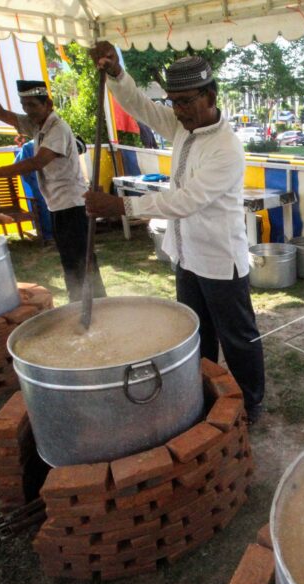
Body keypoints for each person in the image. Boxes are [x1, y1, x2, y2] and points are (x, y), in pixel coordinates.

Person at [84, 45, 265, 425]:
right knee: (197, 334)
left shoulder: (226, 148)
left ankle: (251, 402)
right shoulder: (184, 126)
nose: (177, 110)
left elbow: (186, 201)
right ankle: (204, 393)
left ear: (210, 97)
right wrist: (118, 74)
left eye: (184, 102)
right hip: (186, 254)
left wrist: (121, 207)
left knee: (238, 338)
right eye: (173, 102)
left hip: (219, 258)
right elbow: (141, 107)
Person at [0, 60, 106, 302]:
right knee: (72, 260)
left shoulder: (58, 128)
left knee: (80, 261)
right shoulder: (37, 125)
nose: (28, 110)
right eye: (24, 105)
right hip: (58, 206)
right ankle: (83, 304)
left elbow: (36, 162)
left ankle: (92, 305)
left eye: (32, 105)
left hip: (73, 206)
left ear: (48, 104)